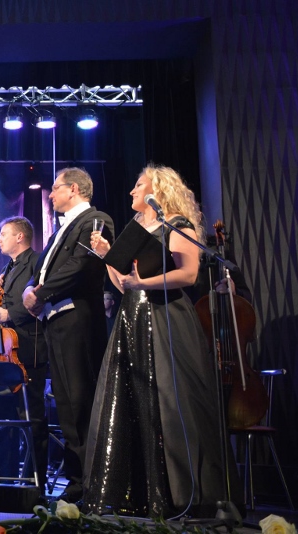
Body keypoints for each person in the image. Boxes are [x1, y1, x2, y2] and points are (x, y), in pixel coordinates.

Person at [85, 165, 233, 518]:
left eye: (139, 184)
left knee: (166, 398)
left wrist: (143, 284)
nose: (132, 191)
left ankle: (177, 495)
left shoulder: (177, 225)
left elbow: (189, 274)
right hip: (132, 316)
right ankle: (137, 493)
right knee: (132, 397)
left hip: (165, 318)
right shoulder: (136, 229)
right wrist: (108, 257)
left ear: (159, 189)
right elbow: (124, 285)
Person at [22, 167, 114, 502]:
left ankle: (87, 483)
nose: (50, 194)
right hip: (57, 320)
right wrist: (30, 288)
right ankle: (77, 480)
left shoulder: (96, 219)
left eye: (55, 188)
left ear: (73, 189)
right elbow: (42, 268)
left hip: (77, 319)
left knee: (79, 401)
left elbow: (81, 265)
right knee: (66, 403)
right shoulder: (61, 228)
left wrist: (40, 293)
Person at [0, 216, 48, 490]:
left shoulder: (37, 261)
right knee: (2, 417)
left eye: (4, 234)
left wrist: (10, 313)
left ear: (19, 237)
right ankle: (3, 477)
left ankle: (34, 481)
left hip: (28, 350)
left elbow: (42, 298)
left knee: (31, 417)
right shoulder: (7, 268)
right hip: (3, 352)